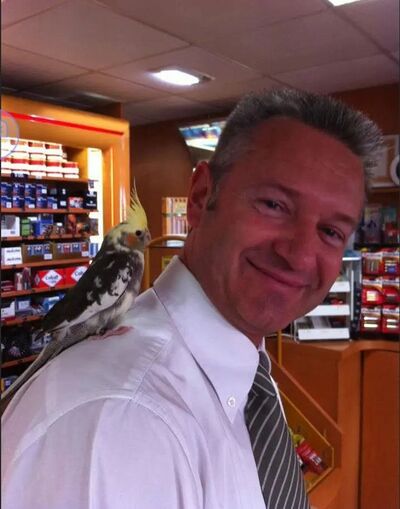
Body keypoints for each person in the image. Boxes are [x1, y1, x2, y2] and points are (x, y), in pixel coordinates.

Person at [2, 88, 382, 509]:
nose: (300, 256)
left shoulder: (247, 374)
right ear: (201, 197)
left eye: (330, 232)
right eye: (274, 204)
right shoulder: (119, 424)